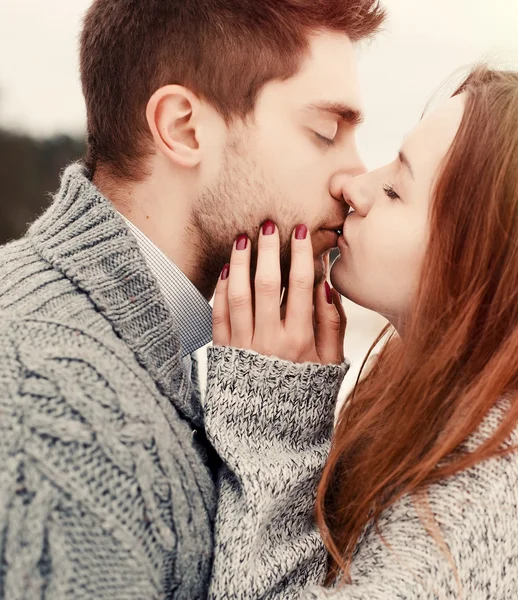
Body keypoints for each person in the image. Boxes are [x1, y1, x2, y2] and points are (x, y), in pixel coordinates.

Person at [0, 0, 385, 598]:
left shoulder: (126, 355)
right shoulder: (53, 417)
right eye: (326, 132)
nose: (356, 178)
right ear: (183, 127)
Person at [205, 66, 518, 599]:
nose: (352, 185)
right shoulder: (462, 420)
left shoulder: (498, 480)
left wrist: (273, 420)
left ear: (484, 260)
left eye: (395, 189)